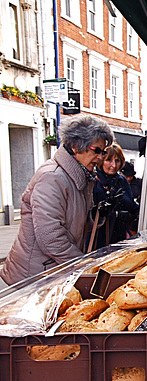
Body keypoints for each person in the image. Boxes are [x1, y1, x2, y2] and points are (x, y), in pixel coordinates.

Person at [0, 115, 114, 286]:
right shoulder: (52, 177)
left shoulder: (81, 176)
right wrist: (81, 265)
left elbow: (73, 223)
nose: (101, 157)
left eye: (103, 152)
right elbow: (49, 236)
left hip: (53, 270)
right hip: (34, 275)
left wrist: (96, 216)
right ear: (76, 147)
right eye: (97, 150)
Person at [91, 143, 138, 248]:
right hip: (100, 237)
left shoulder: (122, 181)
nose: (114, 165)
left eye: (117, 161)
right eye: (109, 160)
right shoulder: (94, 181)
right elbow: (91, 213)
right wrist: (115, 214)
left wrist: (139, 213)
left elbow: (131, 204)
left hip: (121, 236)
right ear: (101, 161)